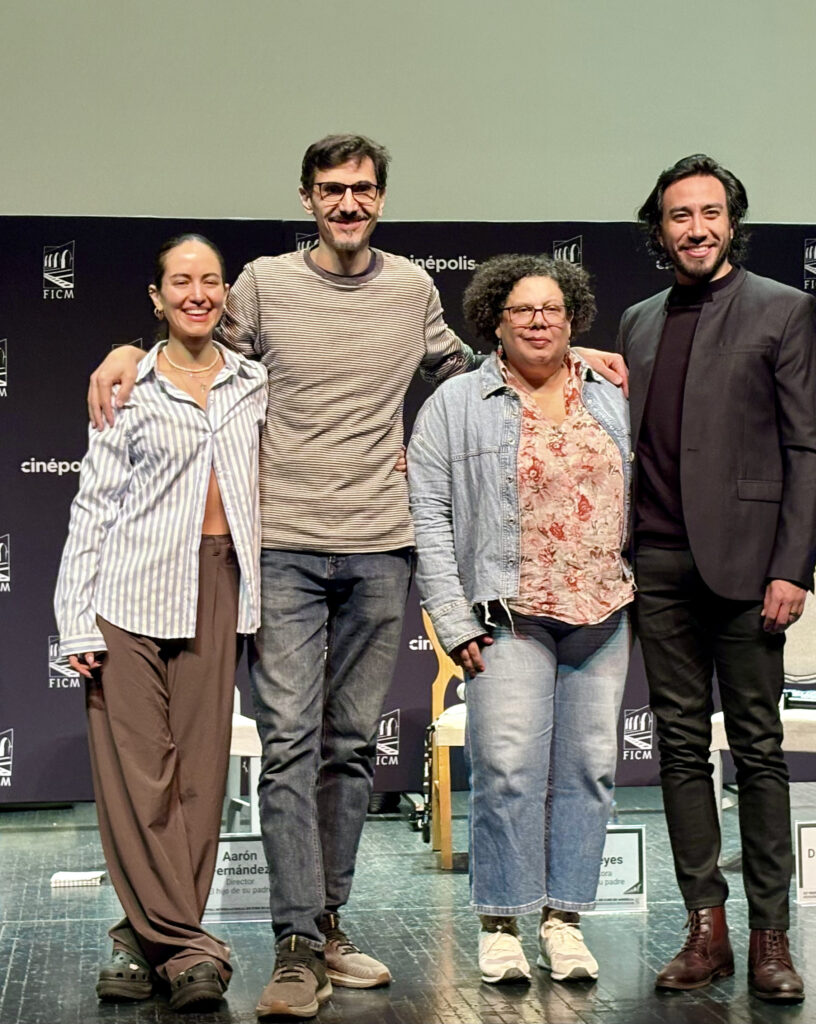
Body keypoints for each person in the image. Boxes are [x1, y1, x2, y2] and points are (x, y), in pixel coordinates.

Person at [86, 135, 622, 1019]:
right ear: (306, 199)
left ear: (380, 199)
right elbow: (193, 351)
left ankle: (328, 923)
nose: (347, 203)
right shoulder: (260, 283)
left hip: (381, 547)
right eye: (331, 190)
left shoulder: (411, 290)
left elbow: (471, 366)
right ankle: (295, 941)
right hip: (285, 547)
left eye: (362, 190)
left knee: (345, 748)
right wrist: (124, 353)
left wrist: (578, 361)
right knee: (290, 744)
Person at [618, 154, 816, 1003]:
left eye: (710, 213)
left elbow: (808, 451)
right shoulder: (637, 321)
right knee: (676, 749)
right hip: (658, 563)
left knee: (758, 751)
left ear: (731, 224)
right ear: (659, 228)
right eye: (679, 215)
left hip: (750, 569)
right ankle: (703, 931)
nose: (695, 228)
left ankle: (770, 938)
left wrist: (791, 565)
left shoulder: (783, 309)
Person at [55, 235, 268, 1012]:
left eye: (210, 281)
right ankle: (190, 950)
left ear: (224, 295)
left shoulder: (254, 383)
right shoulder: (128, 385)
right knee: (138, 779)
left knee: (201, 780)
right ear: (156, 296)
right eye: (181, 281)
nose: (197, 293)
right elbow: (93, 506)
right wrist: (74, 618)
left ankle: (140, 940)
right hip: (129, 596)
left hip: (219, 590)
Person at [408, 255, 633, 986]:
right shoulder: (455, 404)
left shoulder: (612, 395)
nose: (539, 321)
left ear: (572, 317)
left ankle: (563, 920)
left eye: (551, 309)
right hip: (505, 613)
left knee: (589, 771)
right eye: (521, 311)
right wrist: (451, 616)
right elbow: (430, 518)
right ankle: (501, 921)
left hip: (603, 608)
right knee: (506, 770)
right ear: (493, 326)